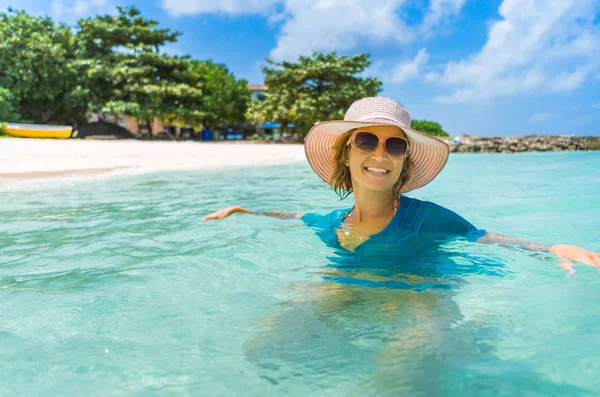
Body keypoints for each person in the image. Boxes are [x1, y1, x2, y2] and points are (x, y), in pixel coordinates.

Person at [203, 97, 599, 274]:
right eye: (365, 140)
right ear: (345, 153)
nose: (380, 154)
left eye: (394, 145)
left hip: (418, 303)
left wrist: (551, 248)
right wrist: (243, 211)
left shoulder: (427, 218)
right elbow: (296, 215)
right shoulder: (330, 222)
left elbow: (487, 238)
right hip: (351, 296)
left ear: (405, 158)